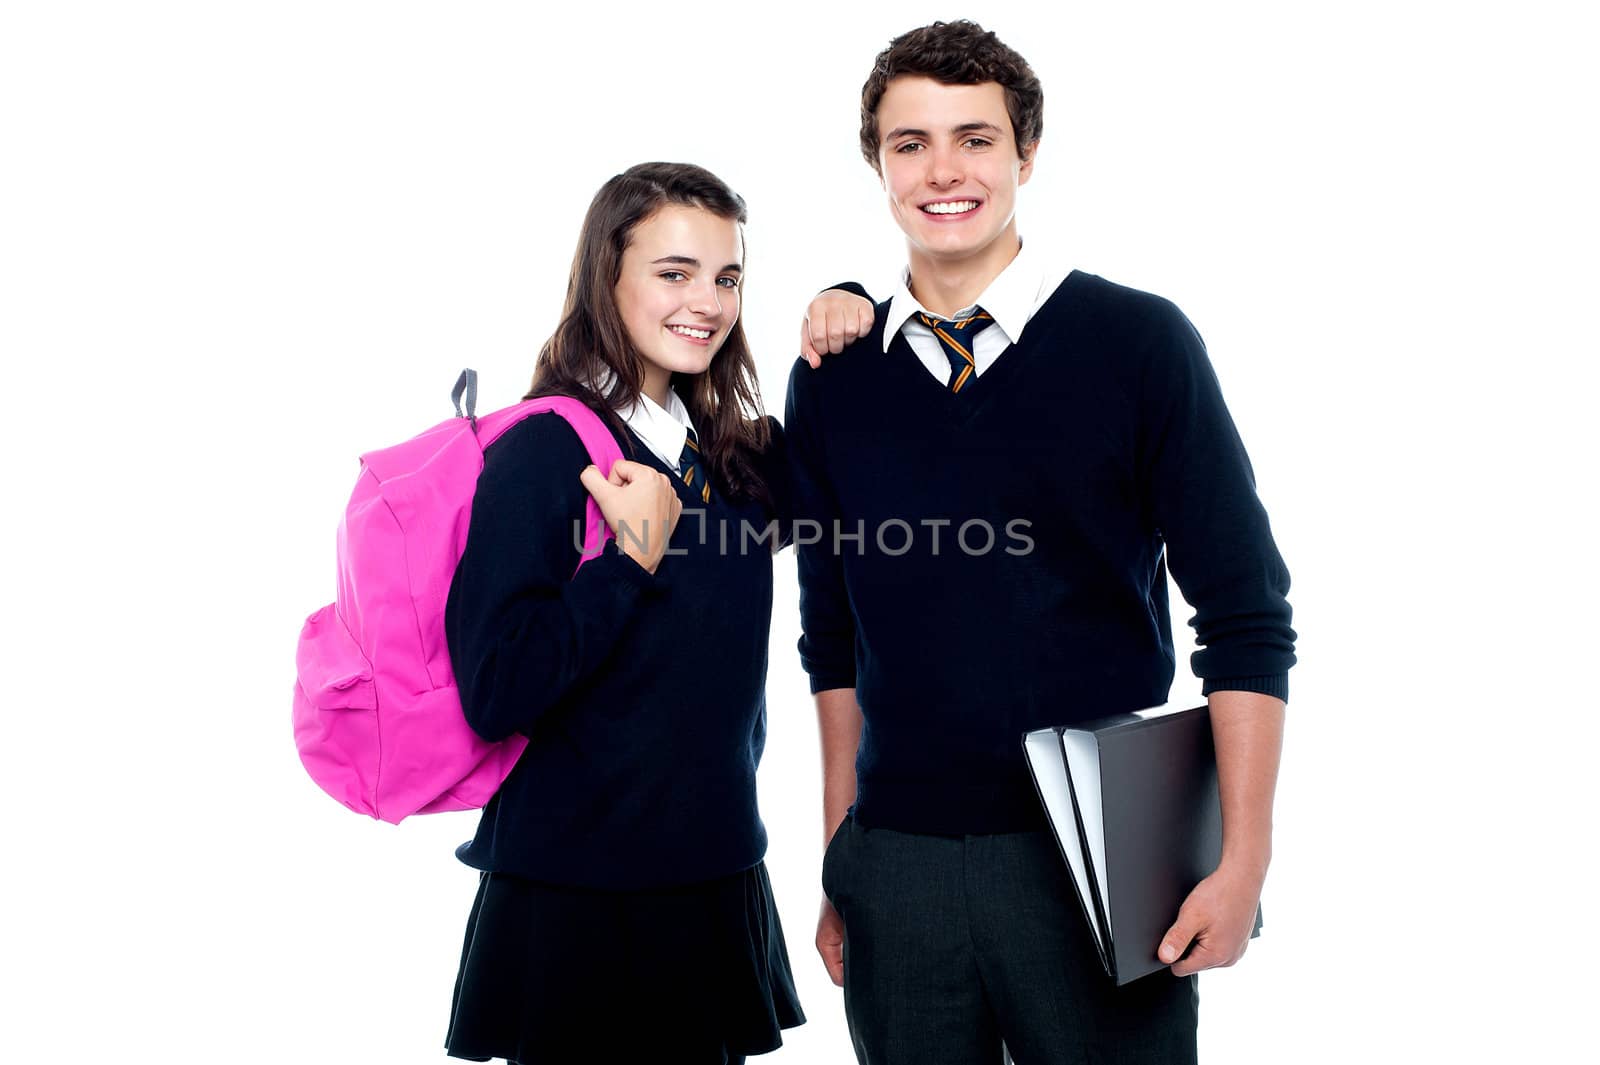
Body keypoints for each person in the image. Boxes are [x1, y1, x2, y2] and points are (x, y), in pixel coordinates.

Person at [787, 20, 1297, 1065]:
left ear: (1025, 155)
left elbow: (1245, 615)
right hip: (898, 865)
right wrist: (840, 853)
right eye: (909, 143)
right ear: (875, 165)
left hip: (1097, 857)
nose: (942, 171)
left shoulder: (1137, 343)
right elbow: (829, 628)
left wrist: (1243, 861)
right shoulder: (835, 370)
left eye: (974, 139)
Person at [442, 162, 804, 1065]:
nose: (708, 302)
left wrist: (846, 308)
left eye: (727, 277)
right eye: (674, 273)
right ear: (609, 275)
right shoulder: (547, 448)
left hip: (712, 880)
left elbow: (860, 474)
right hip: (583, 910)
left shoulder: (725, 455)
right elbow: (496, 687)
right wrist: (629, 563)